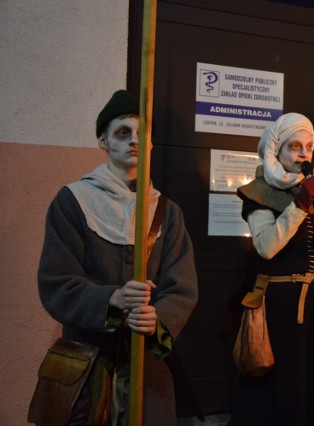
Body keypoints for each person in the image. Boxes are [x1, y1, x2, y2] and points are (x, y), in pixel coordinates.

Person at [37, 90, 198, 425]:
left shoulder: (167, 213)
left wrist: (158, 319)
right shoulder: (72, 202)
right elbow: (57, 282)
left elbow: (181, 288)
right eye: (122, 133)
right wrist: (112, 299)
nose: (134, 142)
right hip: (89, 365)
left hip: (147, 369)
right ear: (103, 141)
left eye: (142, 134)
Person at [231, 112, 314, 425]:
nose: (303, 154)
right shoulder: (258, 192)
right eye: (294, 146)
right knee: (285, 379)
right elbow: (266, 247)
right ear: (276, 150)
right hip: (281, 308)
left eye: (308, 147)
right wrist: (298, 206)